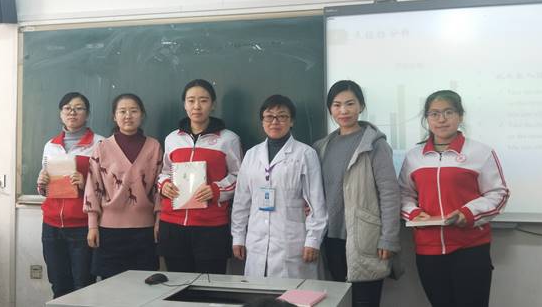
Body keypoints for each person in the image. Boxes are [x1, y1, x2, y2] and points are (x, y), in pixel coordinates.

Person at [399, 89, 510, 307]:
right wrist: (414, 213)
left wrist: (467, 213)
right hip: (428, 250)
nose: (441, 119)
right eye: (434, 114)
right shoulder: (414, 157)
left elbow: (498, 193)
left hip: (470, 248)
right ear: (427, 119)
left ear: (460, 116)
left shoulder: (480, 152)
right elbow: (403, 194)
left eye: (448, 112)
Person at [313, 80, 401, 307]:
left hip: (366, 238)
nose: (343, 110)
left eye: (350, 104)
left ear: (361, 106)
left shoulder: (375, 145)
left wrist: (389, 239)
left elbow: (389, 194)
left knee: (365, 302)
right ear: (330, 109)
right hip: (331, 239)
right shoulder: (322, 146)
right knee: (339, 302)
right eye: (337, 105)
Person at [231, 94, 327, 279]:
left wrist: (313, 240)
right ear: (262, 121)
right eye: (269, 116)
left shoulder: (305, 154)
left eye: (282, 116)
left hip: (293, 243)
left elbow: (316, 202)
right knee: (258, 292)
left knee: (293, 293)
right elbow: (241, 202)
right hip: (256, 242)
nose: (275, 122)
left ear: (291, 121)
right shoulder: (251, 155)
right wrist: (238, 236)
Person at [158, 79, 242, 274]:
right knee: (177, 284)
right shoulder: (172, 138)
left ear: (213, 105)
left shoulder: (228, 139)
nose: (197, 106)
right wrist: (164, 185)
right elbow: (164, 172)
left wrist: (216, 190)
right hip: (173, 224)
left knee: (210, 284)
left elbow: (239, 177)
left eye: (203, 100)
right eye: (191, 100)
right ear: (184, 104)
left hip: (211, 226)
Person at [84, 93, 162, 279]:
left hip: (145, 230)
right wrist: (92, 226)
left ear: (142, 115)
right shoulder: (102, 147)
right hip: (108, 231)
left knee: (143, 286)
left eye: (134, 111)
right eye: (122, 111)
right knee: (110, 287)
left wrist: (159, 221)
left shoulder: (154, 147)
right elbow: (93, 187)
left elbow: (159, 188)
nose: (128, 116)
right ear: (114, 116)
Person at [37, 92, 104, 298]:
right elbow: (46, 187)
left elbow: (107, 186)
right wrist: (42, 184)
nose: (72, 112)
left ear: (87, 114)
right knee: (58, 283)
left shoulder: (100, 143)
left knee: (83, 285)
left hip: (82, 226)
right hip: (51, 225)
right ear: (60, 113)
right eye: (67, 108)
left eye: (78, 108)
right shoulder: (51, 145)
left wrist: (85, 184)